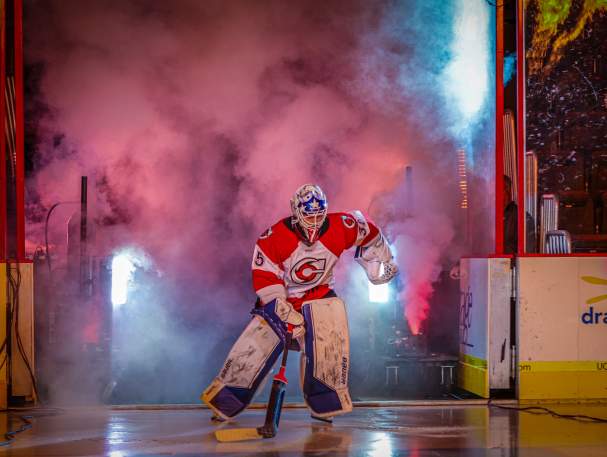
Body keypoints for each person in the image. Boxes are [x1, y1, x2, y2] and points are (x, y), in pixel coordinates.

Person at [201, 183, 398, 422]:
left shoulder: (342, 225)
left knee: (330, 350)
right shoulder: (273, 237)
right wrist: (284, 313)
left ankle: (325, 406)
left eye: (318, 215)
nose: (314, 222)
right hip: (283, 300)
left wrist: (383, 262)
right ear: (296, 211)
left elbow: (370, 233)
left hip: (320, 296)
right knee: (253, 350)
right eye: (309, 215)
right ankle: (226, 403)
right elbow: (265, 279)